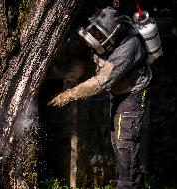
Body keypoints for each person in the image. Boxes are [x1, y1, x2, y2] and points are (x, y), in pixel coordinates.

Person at [48, 6, 151, 189]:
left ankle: (126, 186)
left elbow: (98, 83)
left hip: (132, 95)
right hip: (120, 93)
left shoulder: (126, 49)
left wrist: (69, 95)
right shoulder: (105, 28)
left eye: (99, 35)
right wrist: (71, 79)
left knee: (125, 145)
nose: (94, 37)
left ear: (112, 35)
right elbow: (81, 56)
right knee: (117, 142)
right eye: (93, 30)